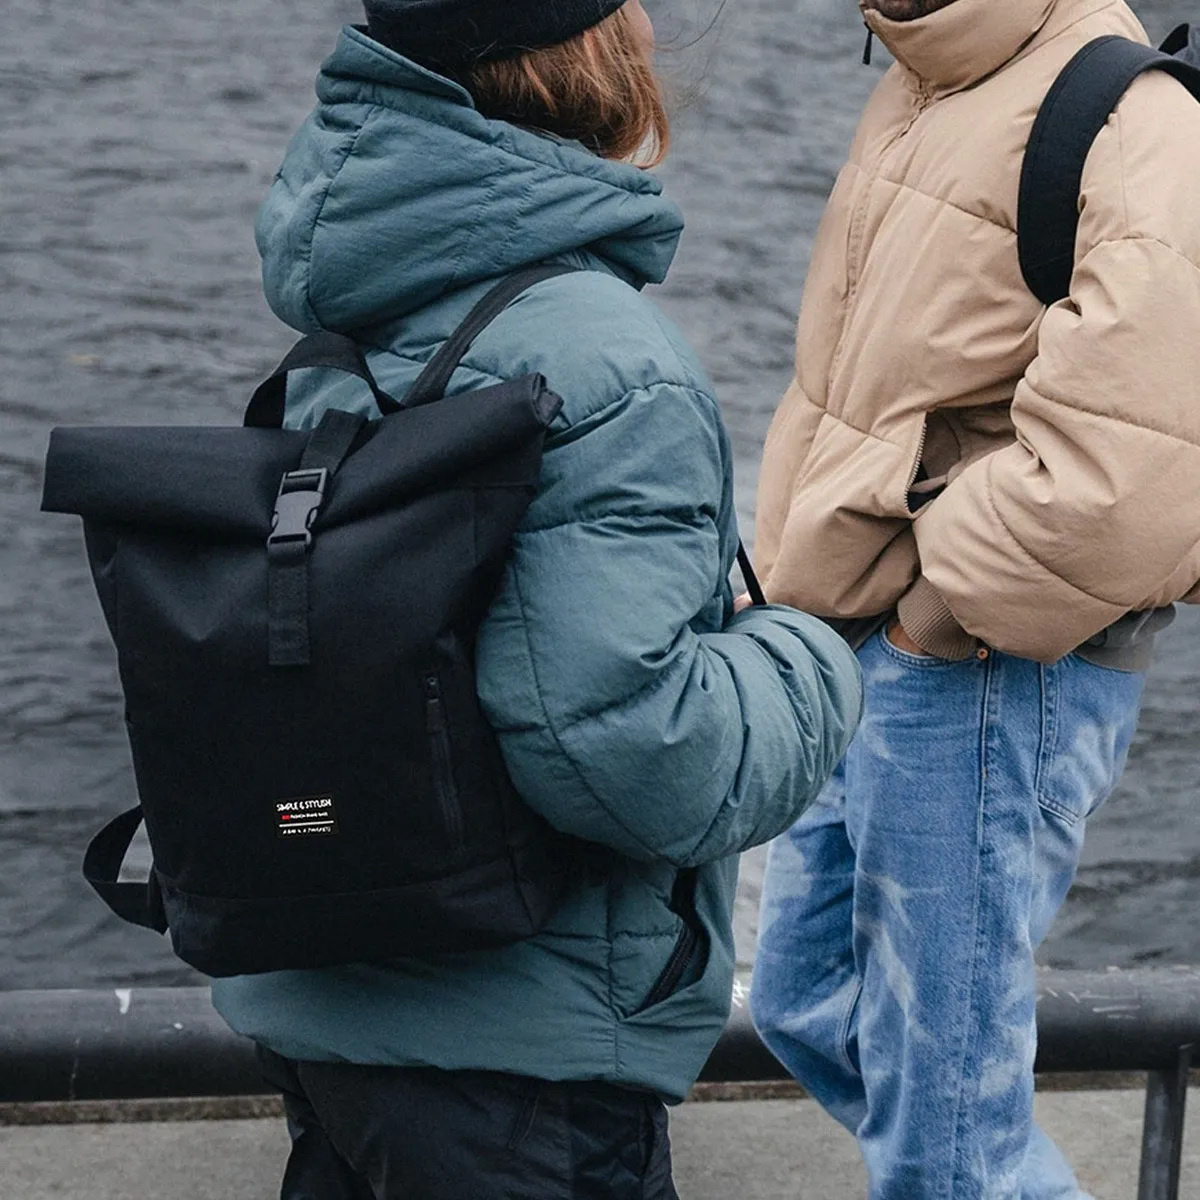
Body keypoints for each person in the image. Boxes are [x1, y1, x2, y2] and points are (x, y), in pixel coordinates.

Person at [209, 2, 863, 1197]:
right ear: (577, 50)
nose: (653, 28)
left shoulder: (361, 301)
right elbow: (630, 752)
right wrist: (811, 656)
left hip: (331, 1008)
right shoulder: (606, 359)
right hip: (520, 1062)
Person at [749, 0, 1200, 1196]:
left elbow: (1130, 475)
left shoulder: (1132, 118)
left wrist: (933, 615)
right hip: (856, 635)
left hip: (980, 666)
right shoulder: (927, 75)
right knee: (806, 1002)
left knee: (948, 1137)